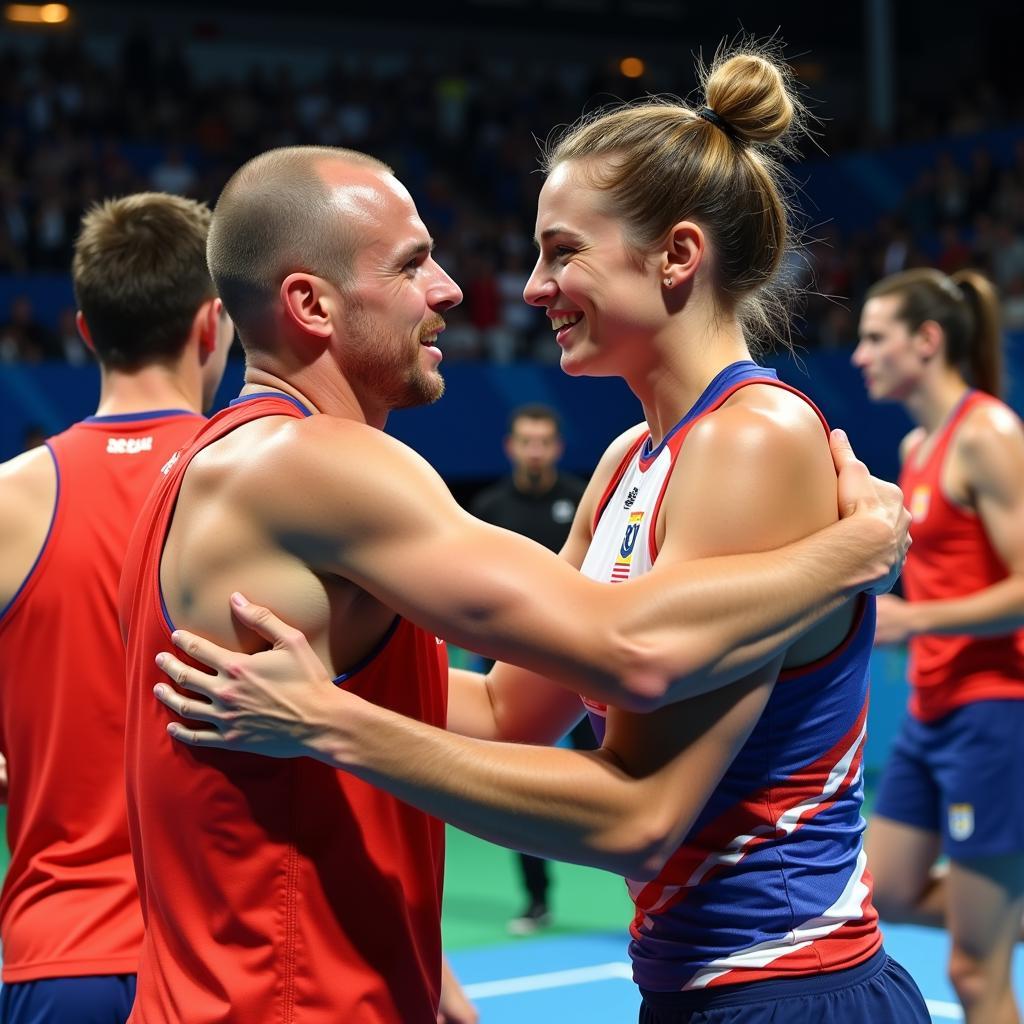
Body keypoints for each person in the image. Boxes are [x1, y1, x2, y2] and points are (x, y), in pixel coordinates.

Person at [151, 48, 928, 1024]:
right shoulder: (622, 466)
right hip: (699, 987)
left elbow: (640, 814)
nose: (526, 288)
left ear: (677, 257)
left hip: (784, 986)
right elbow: (512, 711)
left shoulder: (751, 438)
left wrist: (332, 724)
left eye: (562, 252)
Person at [0, 192, 234, 1024]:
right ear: (214, 324)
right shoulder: (261, 485)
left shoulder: (10, 501)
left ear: (85, 331)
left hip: (58, 952)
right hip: (220, 958)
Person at [853, 267, 1024, 1024]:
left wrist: (915, 620)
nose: (859, 354)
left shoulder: (988, 433)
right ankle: (1004, 898)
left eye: (875, 338)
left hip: (994, 713)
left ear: (926, 342)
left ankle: (1000, 907)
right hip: (931, 709)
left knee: (975, 970)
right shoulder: (919, 445)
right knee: (884, 891)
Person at [471, 402, 593, 934]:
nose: (536, 450)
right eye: (527, 441)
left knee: (619, 766)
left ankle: (649, 889)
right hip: (511, 667)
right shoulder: (489, 507)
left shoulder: (580, 500)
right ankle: (537, 898)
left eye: (544, 441)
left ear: (557, 448)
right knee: (518, 786)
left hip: (584, 662)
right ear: (512, 447)